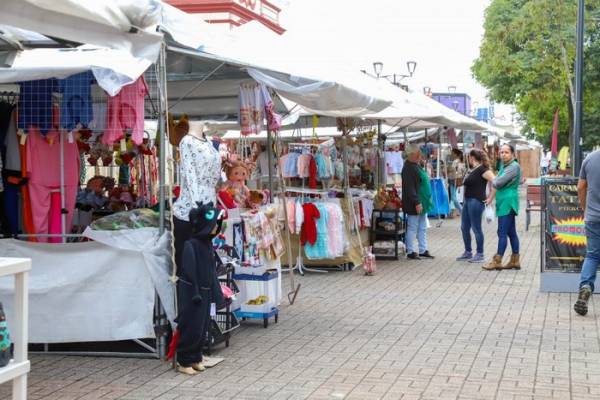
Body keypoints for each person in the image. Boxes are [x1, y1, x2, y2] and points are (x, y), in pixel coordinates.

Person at [483, 144, 522, 270]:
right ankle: (515, 260)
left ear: (512, 154)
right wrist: (490, 198)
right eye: (502, 152)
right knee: (511, 232)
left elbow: (498, 182)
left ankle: (497, 260)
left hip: (508, 202)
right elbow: (497, 184)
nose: (503, 154)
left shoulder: (513, 167)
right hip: (503, 201)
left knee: (502, 232)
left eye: (506, 152)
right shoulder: (504, 166)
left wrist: (489, 176)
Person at [456, 149, 496, 263]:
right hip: (468, 201)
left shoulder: (483, 169)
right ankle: (468, 252)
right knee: (464, 227)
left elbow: (495, 181)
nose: (468, 159)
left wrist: (490, 198)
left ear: (472, 157)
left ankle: (480, 254)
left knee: (476, 228)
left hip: (476, 201)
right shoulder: (473, 169)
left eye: (469, 157)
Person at [574, 150, 600, 316]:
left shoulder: (590, 158)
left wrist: (584, 207)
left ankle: (585, 287)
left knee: (592, 255)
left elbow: (581, 187)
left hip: (593, 217)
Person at [401, 143, 434, 260]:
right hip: (414, 203)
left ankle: (422, 249)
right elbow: (410, 188)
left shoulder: (415, 165)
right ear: (412, 154)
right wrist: (416, 202)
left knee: (422, 227)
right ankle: (410, 251)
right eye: (418, 153)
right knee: (412, 227)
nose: (420, 154)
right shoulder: (408, 168)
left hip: (421, 202)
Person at [448, 149, 466, 217]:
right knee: (453, 197)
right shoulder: (462, 161)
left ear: (455, 154)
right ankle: (457, 211)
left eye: (452, 153)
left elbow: (451, 170)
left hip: (453, 180)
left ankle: (462, 210)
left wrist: (448, 169)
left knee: (453, 197)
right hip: (458, 180)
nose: (451, 154)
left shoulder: (455, 161)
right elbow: (463, 172)